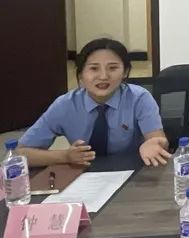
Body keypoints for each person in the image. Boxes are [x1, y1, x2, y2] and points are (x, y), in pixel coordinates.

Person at [18, 38, 170, 168]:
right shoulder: (65, 105)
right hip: (81, 174)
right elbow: (20, 154)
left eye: (113, 68)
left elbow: (159, 141)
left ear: (125, 72)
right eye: (94, 68)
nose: (103, 76)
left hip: (130, 173)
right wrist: (65, 156)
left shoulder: (139, 98)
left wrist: (153, 145)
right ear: (81, 74)